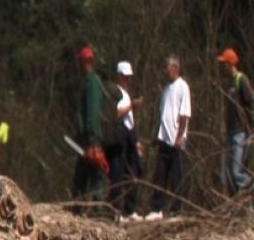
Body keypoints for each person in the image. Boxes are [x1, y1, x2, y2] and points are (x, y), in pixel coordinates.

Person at [146, 55, 191, 220]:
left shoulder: (182, 87)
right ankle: (157, 209)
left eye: (167, 67)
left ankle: (177, 210)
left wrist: (180, 137)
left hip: (176, 140)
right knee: (160, 175)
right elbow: (163, 114)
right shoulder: (165, 89)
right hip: (164, 139)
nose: (165, 71)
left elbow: (184, 114)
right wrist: (157, 137)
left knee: (176, 177)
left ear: (175, 68)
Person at [71, 46, 108, 211]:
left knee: (95, 172)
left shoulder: (92, 83)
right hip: (86, 137)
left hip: (91, 137)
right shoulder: (88, 82)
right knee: (87, 173)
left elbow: (92, 111)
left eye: (81, 61)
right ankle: (80, 206)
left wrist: (92, 138)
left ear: (86, 61)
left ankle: (96, 209)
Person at [106, 61, 143, 221]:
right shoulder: (114, 93)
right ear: (119, 76)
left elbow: (131, 120)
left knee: (133, 172)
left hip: (130, 135)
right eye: (125, 77)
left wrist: (137, 140)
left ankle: (130, 209)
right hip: (119, 135)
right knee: (117, 173)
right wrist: (131, 107)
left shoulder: (127, 94)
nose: (127, 80)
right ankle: (115, 210)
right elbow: (116, 113)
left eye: (129, 77)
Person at [217, 48, 254, 194]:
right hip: (230, 132)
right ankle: (237, 198)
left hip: (240, 132)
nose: (222, 67)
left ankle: (250, 186)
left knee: (236, 170)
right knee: (226, 174)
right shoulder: (229, 83)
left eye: (224, 63)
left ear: (230, 63)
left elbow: (251, 103)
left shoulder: (241, 80)